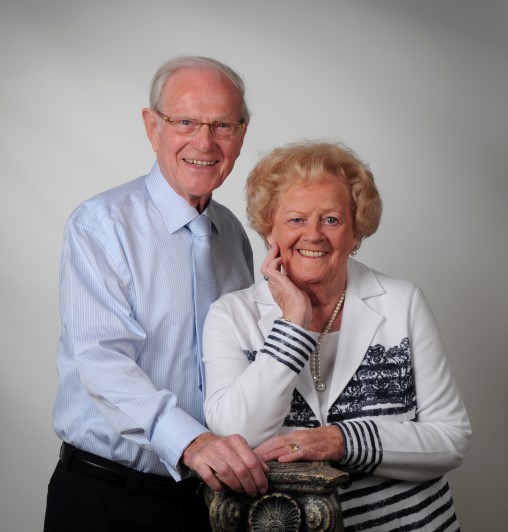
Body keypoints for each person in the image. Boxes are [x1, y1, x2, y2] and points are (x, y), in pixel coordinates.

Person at [44, 56, 269, 532]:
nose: (204, 143)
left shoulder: (233, 235)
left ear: (242, 134)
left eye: (222, 125)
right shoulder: (101, 224)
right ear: (153, 127)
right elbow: (102, 361)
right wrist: (191, 442)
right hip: (108, 499)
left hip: (210, 501)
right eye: (185, 121)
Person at [203, 140, 472, 531]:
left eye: (331, 219)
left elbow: (450, 440)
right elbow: (237, 436)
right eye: (296, 219)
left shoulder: (403, 302)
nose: (313, 235)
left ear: (356, 231)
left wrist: (341, 440)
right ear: (269, 229)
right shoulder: (230, 315)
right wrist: (293, 324)